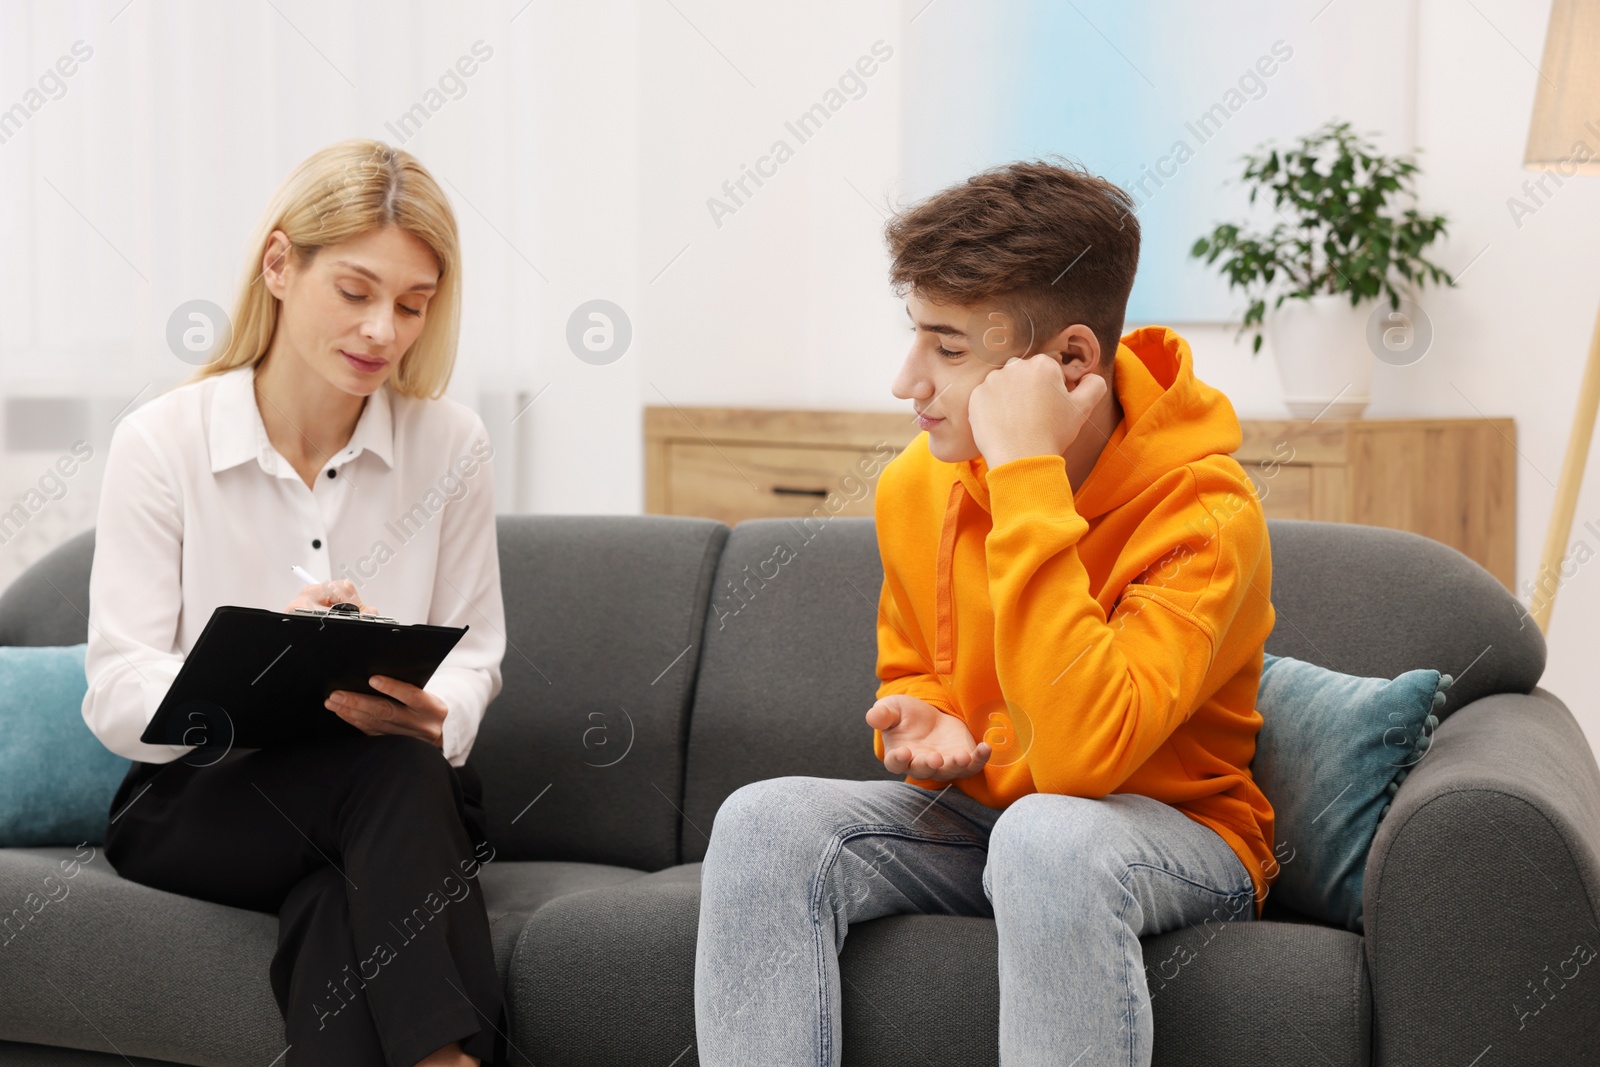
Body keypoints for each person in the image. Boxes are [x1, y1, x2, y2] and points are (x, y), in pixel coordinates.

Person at [693, 159, 1278, 1066]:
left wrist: (1026, 478)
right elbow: (918, 660)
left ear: (1071, 362)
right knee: (761, 821)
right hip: (993, 819)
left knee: (1049, 836)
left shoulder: (1208, 518)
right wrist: (932, 710)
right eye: (915, 336)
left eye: (949, 348)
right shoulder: (915, 485)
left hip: (1176, 836)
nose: (906, 382)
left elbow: (1085, 757)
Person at [83, 139, 508, 1067]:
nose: (383, 332)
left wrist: (445, 713)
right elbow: (116, 684)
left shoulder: (452, 444)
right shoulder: (162, 443)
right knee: (395, 783)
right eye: (355, 293)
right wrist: (256, 670)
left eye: (412, 304)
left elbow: (476, 653)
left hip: (398, 796)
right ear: (280, 265)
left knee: (341, 892)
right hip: (207, 800)